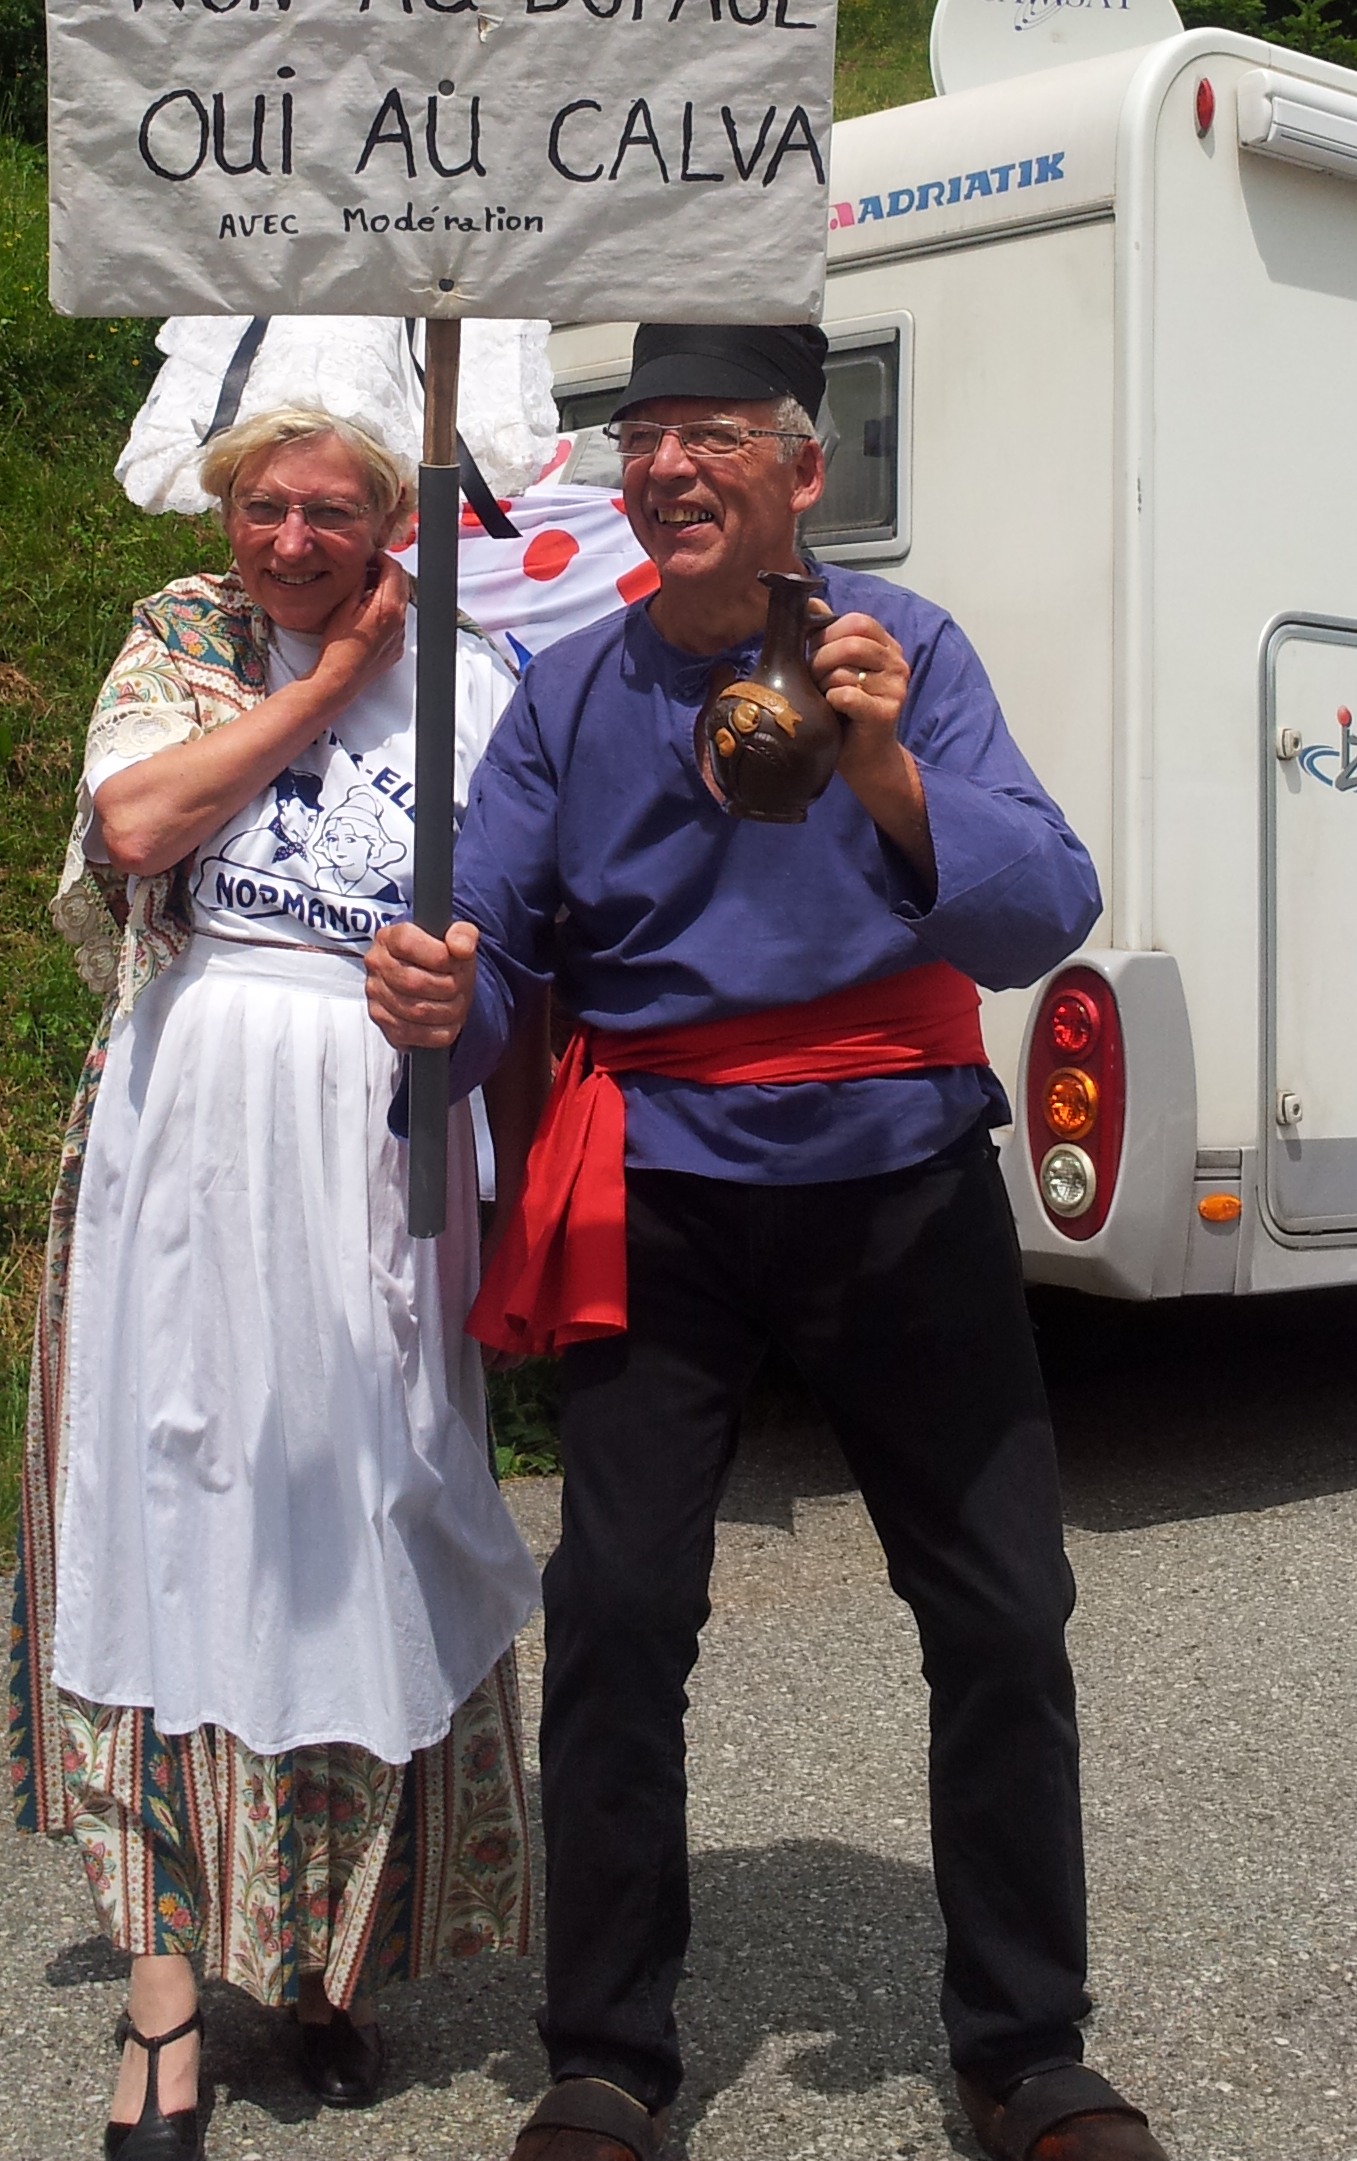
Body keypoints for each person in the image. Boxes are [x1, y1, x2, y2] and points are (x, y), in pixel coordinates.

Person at [366, 324, 1171, 2161]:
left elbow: (1042, 908)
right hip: (663, 1178)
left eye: (709, 434)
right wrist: (439, 1000)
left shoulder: (908, 650)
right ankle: (606, 2054)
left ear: (802, 469)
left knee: (1002, 1607)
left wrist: (889, 772)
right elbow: (494, 955)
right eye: (640, 435)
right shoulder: (572, 694)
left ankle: (1025, 2047)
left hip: (899, 1169)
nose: (663, 467)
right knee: (619, 1610)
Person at [12, 403, 543, 2160]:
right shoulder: (188, 635)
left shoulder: (479, 676)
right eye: (263, 506)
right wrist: (330, 684)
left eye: (330, 512)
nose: (291, 539)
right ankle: (164, 2008)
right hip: (192, 1123)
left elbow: (531, 922)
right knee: (167, 1519)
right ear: (226, 515)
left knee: (365, 1522)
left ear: (392, 523)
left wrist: (473, 999)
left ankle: (330, 1958)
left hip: (376, 1135)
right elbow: (141, 822)